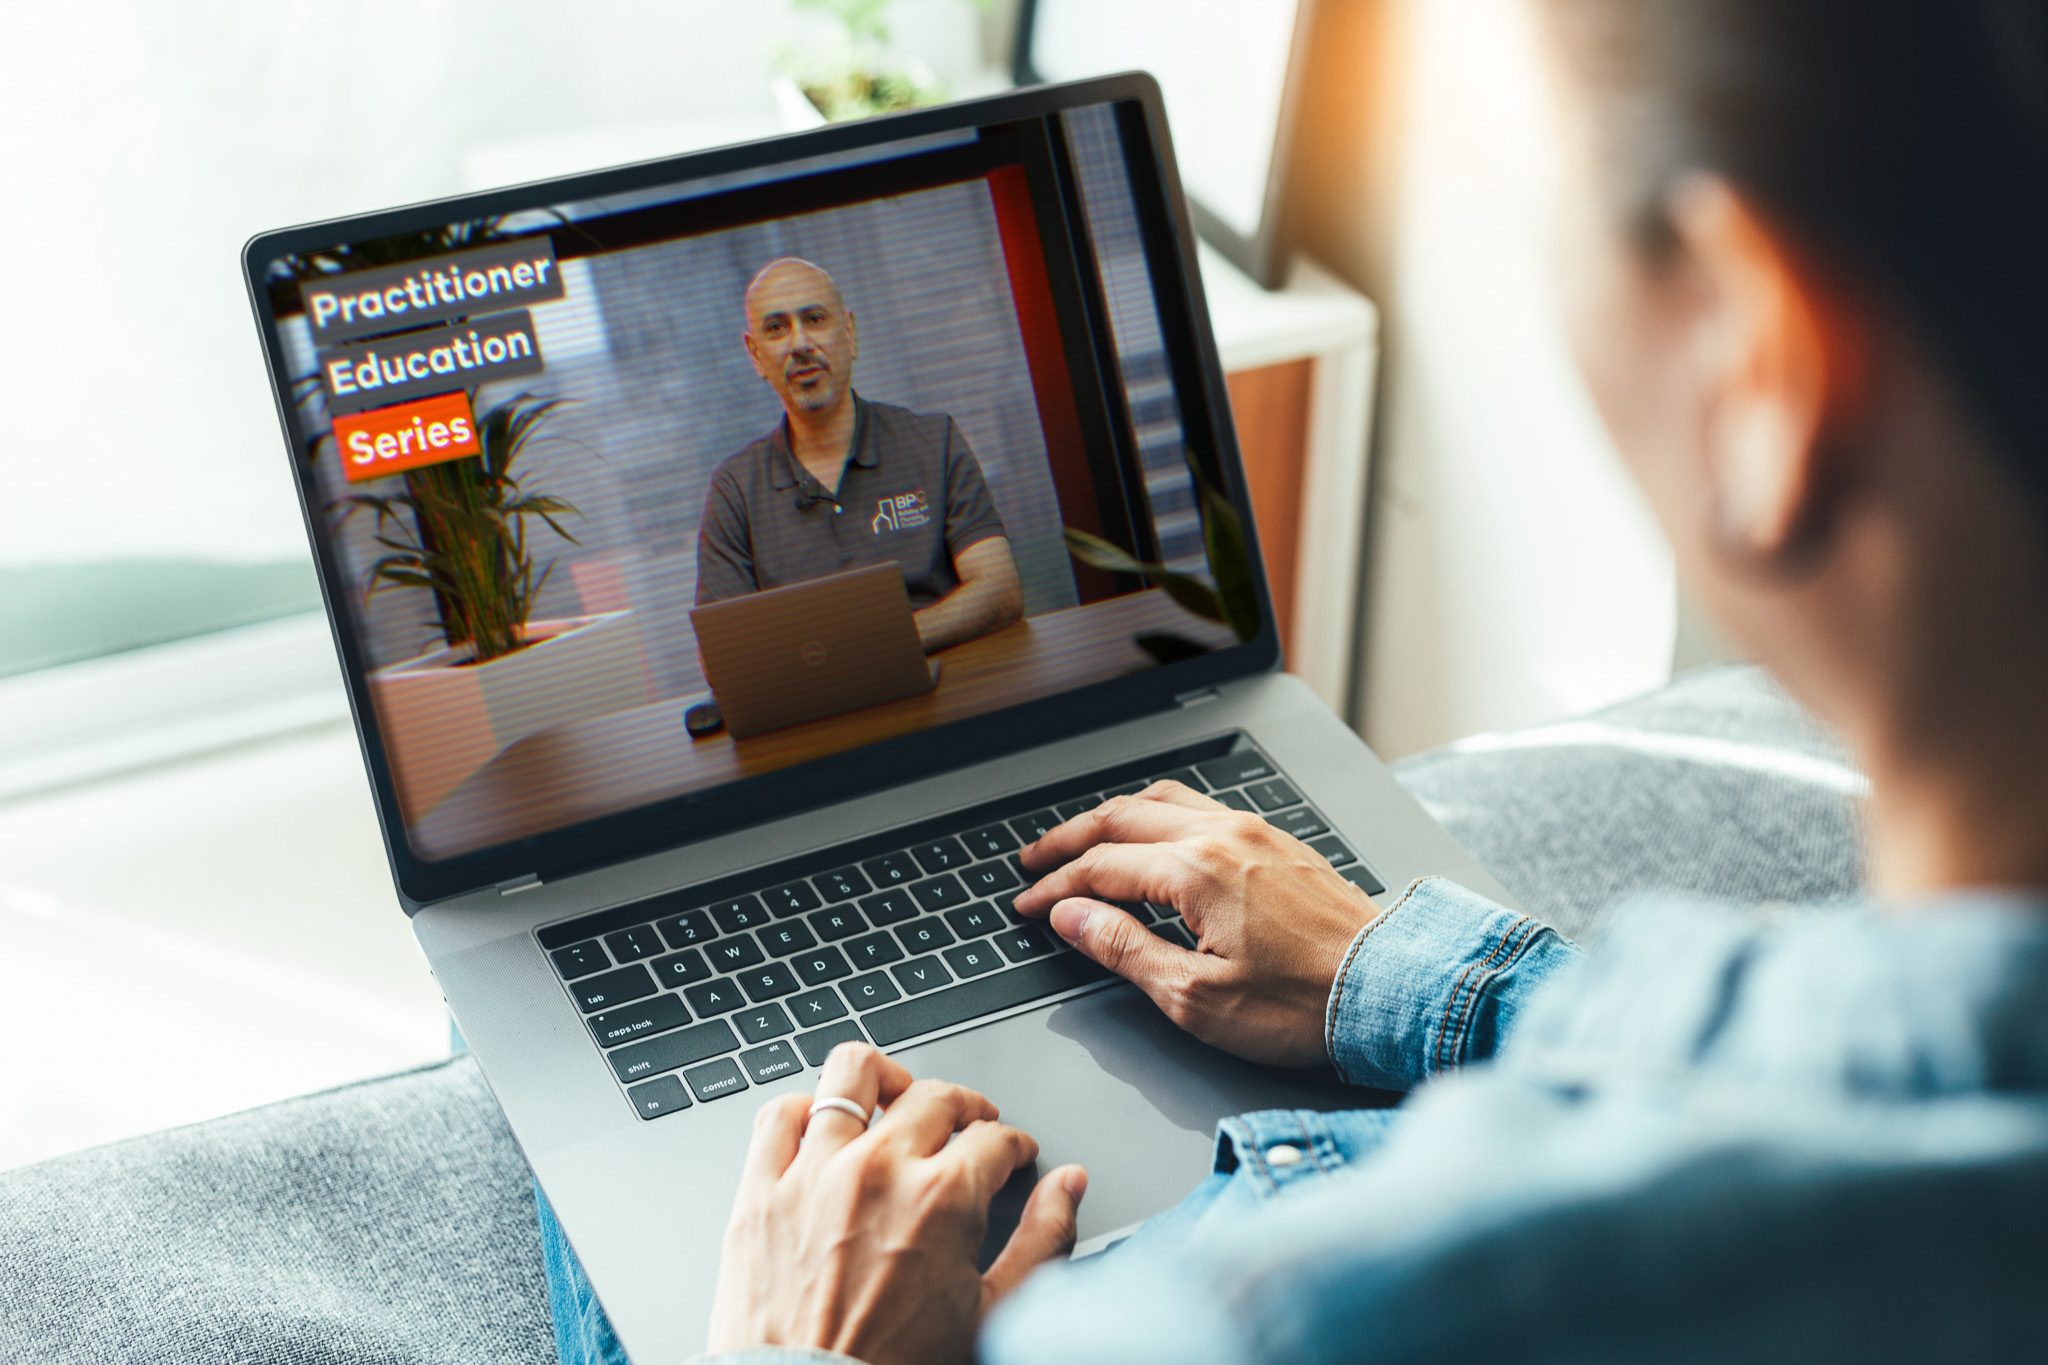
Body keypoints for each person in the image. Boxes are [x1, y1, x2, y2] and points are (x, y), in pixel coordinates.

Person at [546, 0, 2048, 1359]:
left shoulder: (1254, 1324)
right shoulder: (742, 486)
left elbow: (985, 588)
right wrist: (1450, 987)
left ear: (1758, 364)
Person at [694, 257, 1024, 654]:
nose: (799, 344)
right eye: (777, 328)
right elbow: (721, 652)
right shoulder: (735, 490)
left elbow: (1000, 589)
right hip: (822, 707)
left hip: (948, 688)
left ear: (849, 333)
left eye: (815, 319)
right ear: (755, 354)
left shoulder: (934, 441)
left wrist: (878, 644)